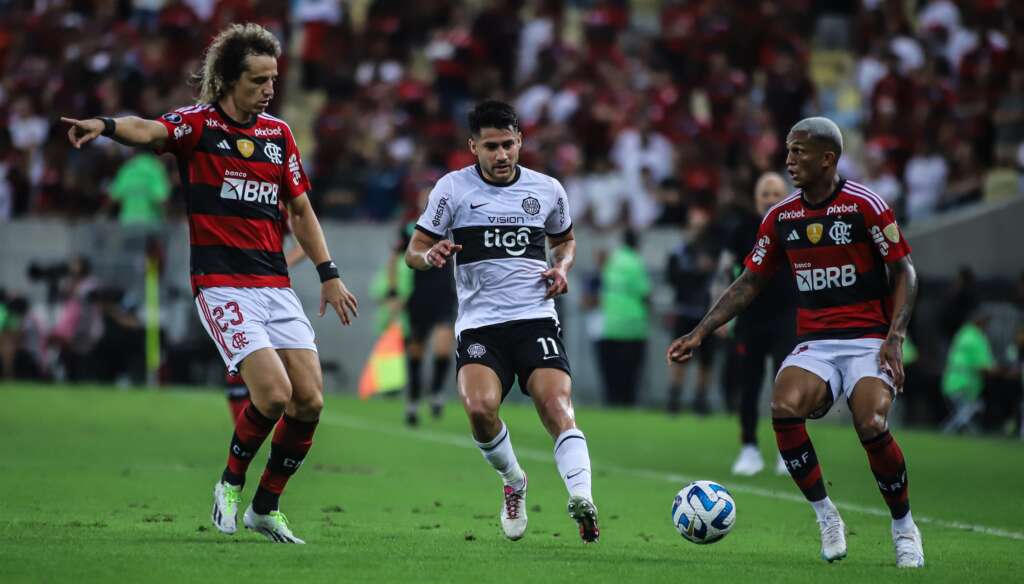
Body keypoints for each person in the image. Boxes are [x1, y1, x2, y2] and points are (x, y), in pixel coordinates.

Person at [61, 23, 359, 544]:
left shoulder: (278, 135)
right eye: (258, 80)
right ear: (226, 80)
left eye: (273, 79)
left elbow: (301, 210)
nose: (269, 89)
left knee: (309, 401)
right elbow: (149, 130)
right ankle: (230, 482)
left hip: (275, 284)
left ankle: (265, 507)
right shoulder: (197, 126)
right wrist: (105, 125)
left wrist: (328, 274)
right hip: (222, 284)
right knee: (272, 394)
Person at [667, 117, 924, 568]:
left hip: (868, 339)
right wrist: (701, 331)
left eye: (798, 151)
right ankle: (827, 517)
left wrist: (894, 337)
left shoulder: (867, 206)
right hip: (817, 342)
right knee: (782, 406)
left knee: (871, 423)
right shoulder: (781, 217)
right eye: (787, 150)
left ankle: (903, 526)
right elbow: (748, 283)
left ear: (828, 158)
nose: (789, 160)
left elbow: (905, 271)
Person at [405, 100, 599, 543]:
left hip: (534, 317)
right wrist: (429, 254)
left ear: (520, 142)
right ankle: (514, 480)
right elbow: (413, 251)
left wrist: (562, 267)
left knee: (556, 406)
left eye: (508, 145)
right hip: (479, 325)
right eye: (490, 146)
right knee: (478, 409)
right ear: (473, 146)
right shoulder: (451, 190)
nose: (501, 155)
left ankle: (583, 498)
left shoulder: (547, 189)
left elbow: (565, 240)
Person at [712, 172, 797, 475]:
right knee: (748, 385)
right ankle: (749, 448)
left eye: (776, 193)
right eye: (765, 193)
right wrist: (719, 313)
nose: (771, 199)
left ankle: (787, 452)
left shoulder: (796, 227)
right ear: (756, 198)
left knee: (785, 386)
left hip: (788, 318)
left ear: (786, 195)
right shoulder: (742, 230)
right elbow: (724, 273)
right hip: (750, 319)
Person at [391, 221, 456, 427]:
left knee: (443, 349)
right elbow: (395, 257)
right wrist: (393, 292)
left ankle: (436, 392)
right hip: (419, 299)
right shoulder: (413, 228)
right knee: (416, 353)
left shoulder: (455, 225)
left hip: (445, 297)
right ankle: (413, 401)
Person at [597, 228, 651, 407]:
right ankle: (627, 403)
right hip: (633, 325)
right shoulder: (636, 262)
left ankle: (612, 403)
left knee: (612, 371)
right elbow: (644, 292)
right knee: (630, 372)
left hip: (611, 324)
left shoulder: (612, 260)